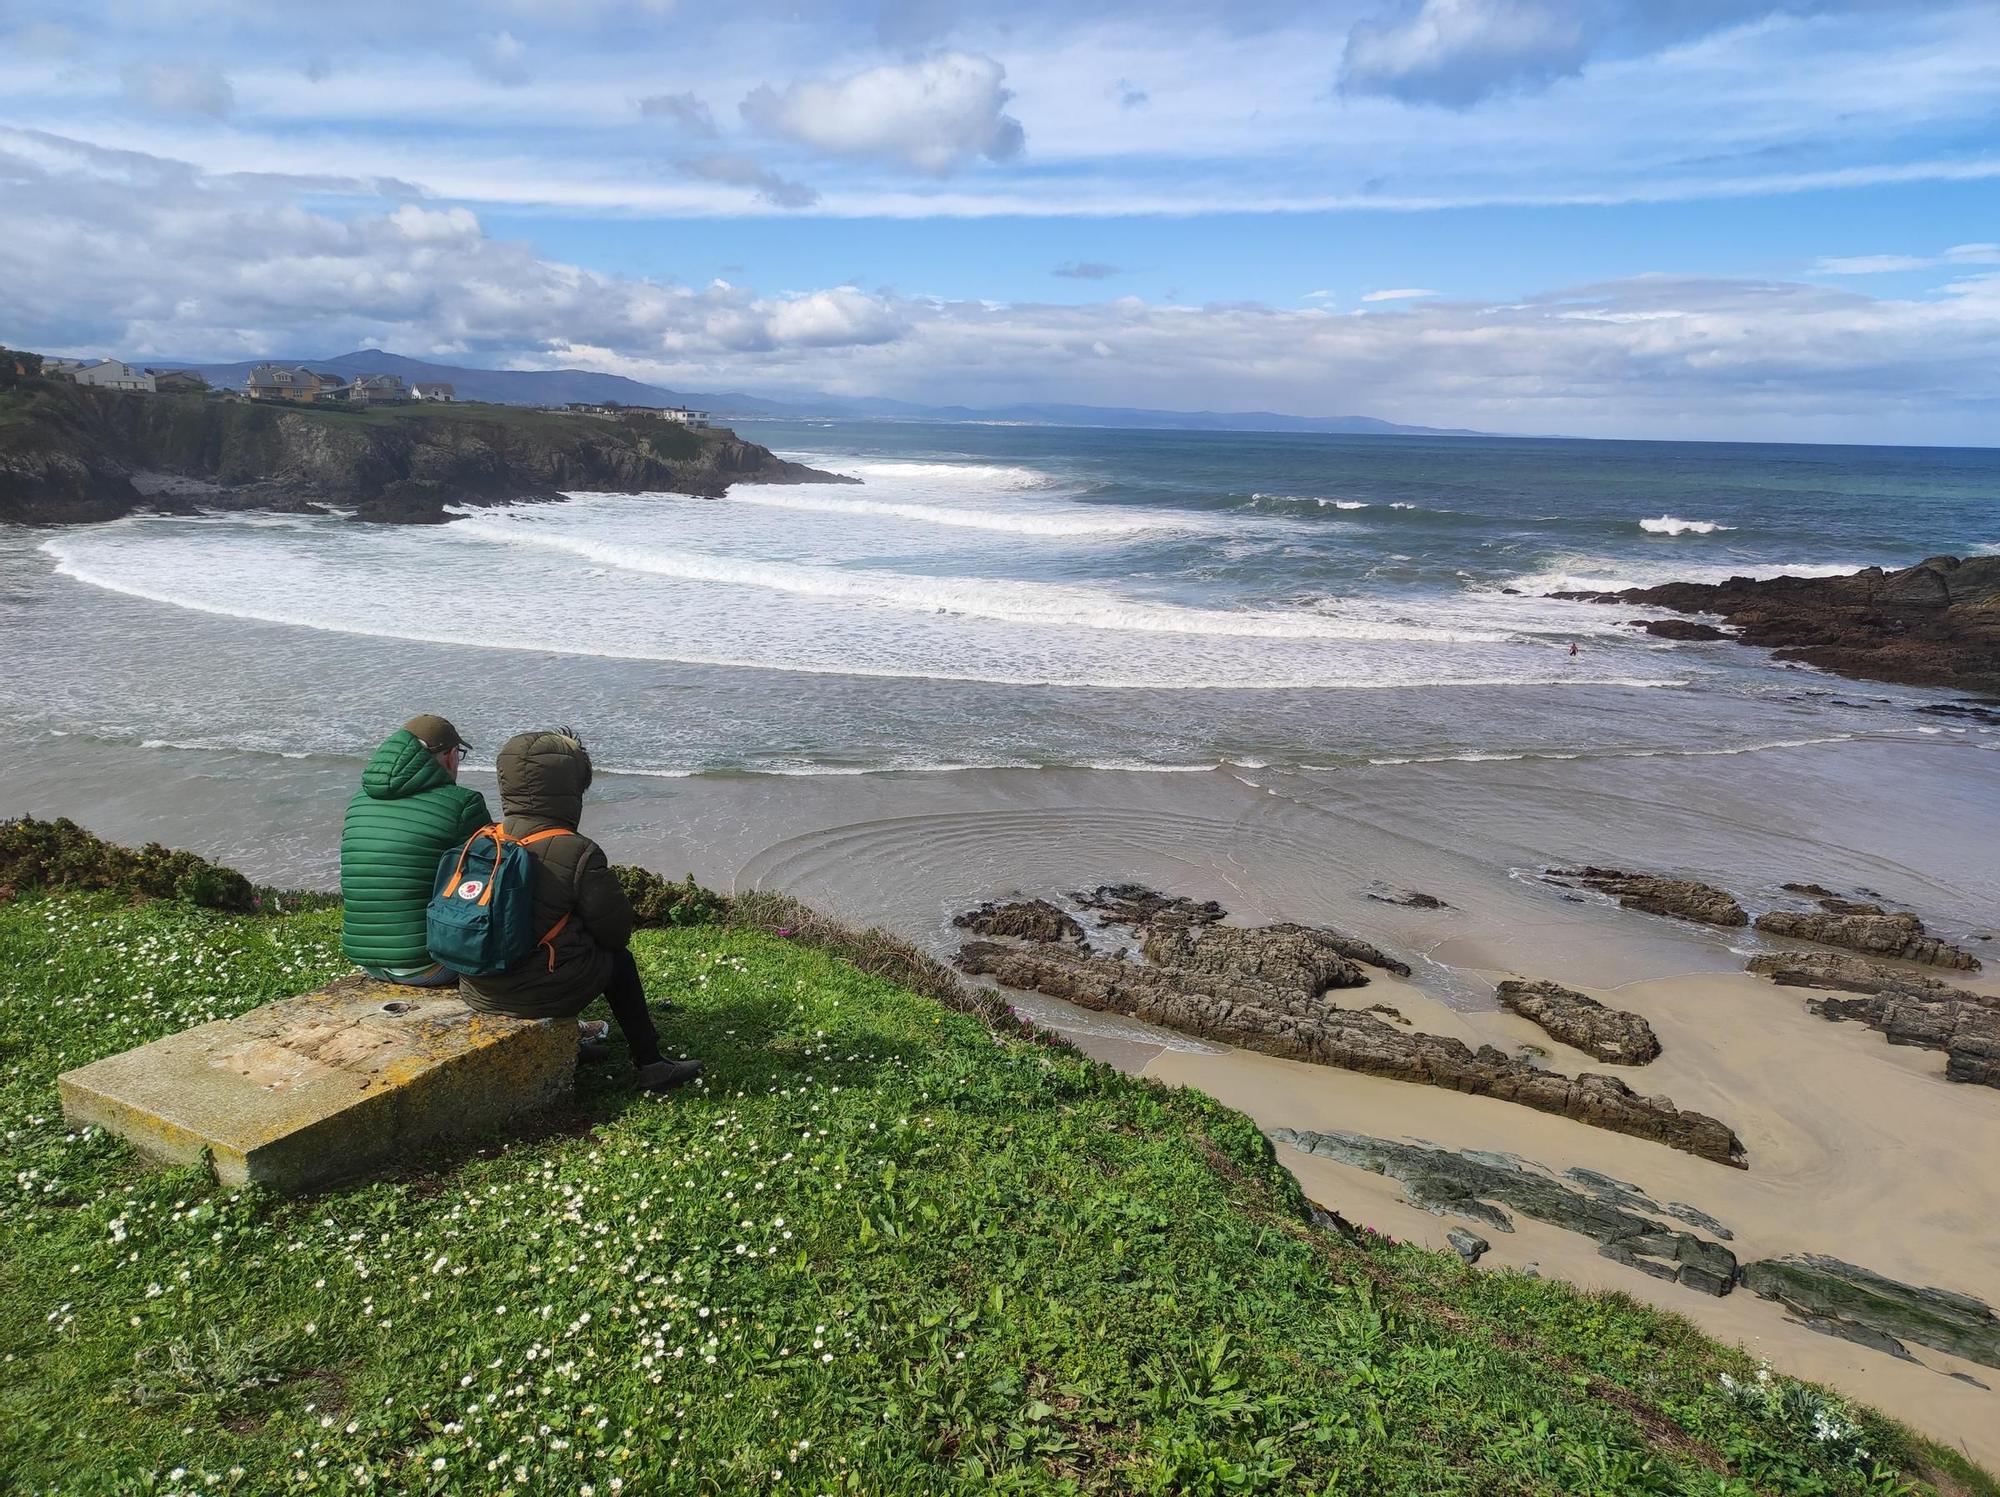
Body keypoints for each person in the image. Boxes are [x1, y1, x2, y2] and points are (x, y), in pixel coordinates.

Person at [459, 728, 701, 1091]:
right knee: (617, 961)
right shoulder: (577, 852)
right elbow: (616, 932)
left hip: (475, 984)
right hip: (530, 994)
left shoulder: (483, 838)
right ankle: (651, 1063)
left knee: (551, 935)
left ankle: (573, 1041)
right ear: (570, 786)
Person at [341, 713, 491, 985]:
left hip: (369, 963)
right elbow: (495, 880)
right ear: (450, 755)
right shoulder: (463, 804)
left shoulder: (359, 802)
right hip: (428, 965)